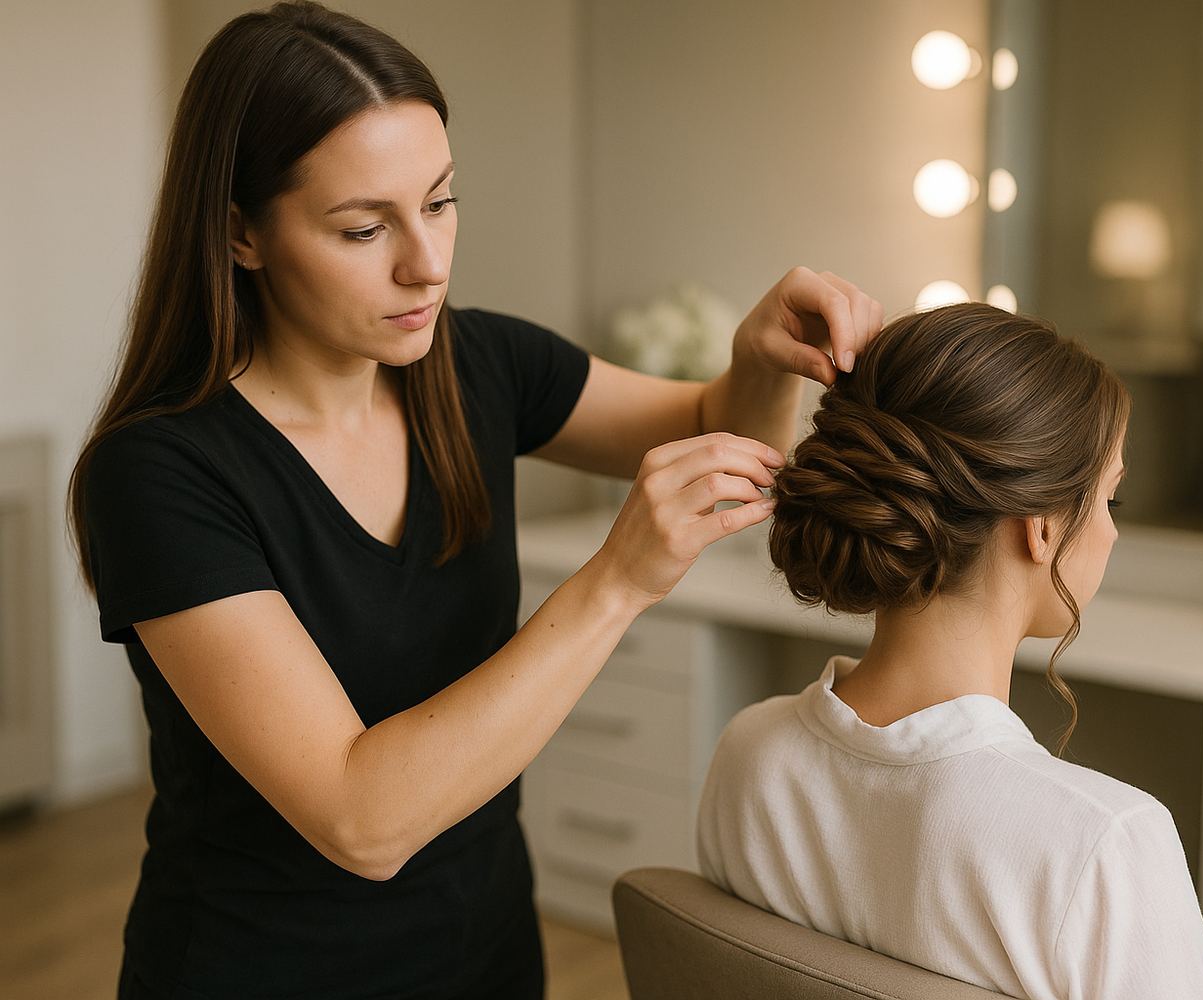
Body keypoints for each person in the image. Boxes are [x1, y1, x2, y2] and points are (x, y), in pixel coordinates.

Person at [67, 4, 881, 998]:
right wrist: (616, 583)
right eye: (365, 227)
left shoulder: (478, 362)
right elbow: (360, 819)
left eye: (442, 201)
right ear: (241, 233)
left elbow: (724, 431)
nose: (428, 262)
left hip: (483, 949)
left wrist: (760, 357)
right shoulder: (160, 474)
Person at [696, 303, 1203, 1000]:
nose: (1112, 533)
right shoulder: (1108, 844)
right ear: (1038, 528)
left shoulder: (748, 753)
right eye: (1108, 502)